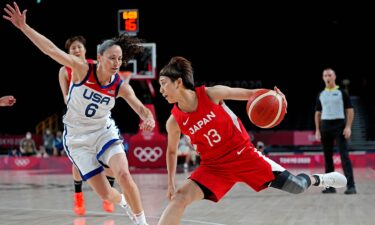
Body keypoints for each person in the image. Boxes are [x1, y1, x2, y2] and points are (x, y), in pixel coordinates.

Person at [4, 3, 155, 225]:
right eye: (112, 58)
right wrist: (24, 28)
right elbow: (51, 50)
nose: (116, 63)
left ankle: (142, 222)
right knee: (106, 194)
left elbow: (140, 107)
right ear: (100, 57)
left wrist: (148, 117)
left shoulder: (119, 85)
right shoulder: (82, 69)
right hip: (77, 139)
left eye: (120, 59)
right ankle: (123, 202)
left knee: (123, 174)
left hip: (104, 132)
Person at [157, 56, 347, 225]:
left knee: (296, 186)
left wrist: (274, 96)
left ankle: (319, 179)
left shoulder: (211, 94)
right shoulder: (173, 122)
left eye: (163, 83)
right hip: (214, 167)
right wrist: (171, 182)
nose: (161, 89)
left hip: (244, 155)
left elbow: (250, 94)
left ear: (178, 82)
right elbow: (172, 151)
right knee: (179, 198)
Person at [58, 35, 118, 215]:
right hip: (77, 120)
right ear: (69, 53)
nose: (76, 50)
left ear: (85, 50)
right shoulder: (64, 70)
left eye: (79, 47)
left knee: (110, 159)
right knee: (78, 162)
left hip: (99, 118)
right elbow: (65, 97)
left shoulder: (95, 65)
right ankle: (78, 197)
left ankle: (108, 194)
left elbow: (111, 84)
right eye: (72, 48)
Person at [314, 68, 356, 195]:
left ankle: (351, 186)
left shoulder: (342, 92)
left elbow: (350, 110)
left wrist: (348, 126)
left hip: (339, 125)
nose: (328, 77)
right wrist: (317, 130)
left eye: (330, 75)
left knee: (344, 157)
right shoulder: (321, 94)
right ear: (323, 78)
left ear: (334, 77)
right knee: (327, 158)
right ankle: (329, 187)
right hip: (325, 126)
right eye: (325, 75)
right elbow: (317, 113)